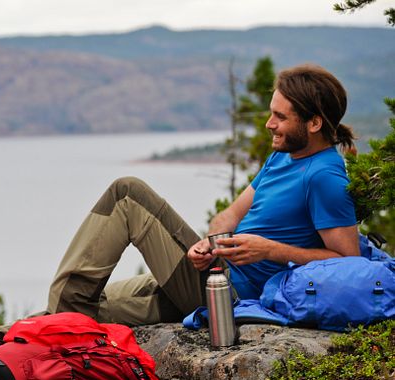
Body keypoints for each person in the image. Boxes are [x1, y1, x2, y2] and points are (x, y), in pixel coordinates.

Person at [47, 64, 360, 326]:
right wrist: (211, 243)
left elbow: (348, 261)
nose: (269, 124)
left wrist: (268, 250)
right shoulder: (284, 156)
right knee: (76, 314)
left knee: (127, 194)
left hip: (232, 295)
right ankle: (4, 337)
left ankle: (61, 307)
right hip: (212, 276)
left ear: (314, 123)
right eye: (271, 113)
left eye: (280, 117)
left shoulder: (324, 176)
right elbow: (229, 216)